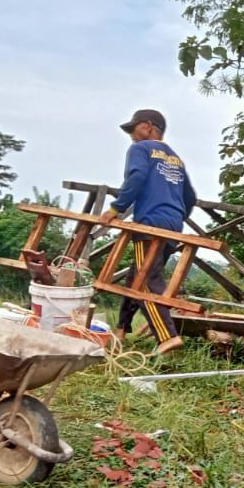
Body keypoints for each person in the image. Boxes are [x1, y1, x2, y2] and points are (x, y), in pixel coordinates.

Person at [101, 109, 196, 355]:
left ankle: (167, 337)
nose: (132, 136)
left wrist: (116, 207)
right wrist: (175, 215)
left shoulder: (140, 150)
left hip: (150, 224)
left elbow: (137, 176)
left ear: (148, 126)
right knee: (137, 276)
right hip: (173, 225)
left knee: (145, 283)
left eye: (134, 130)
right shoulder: (176, 158)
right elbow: (190, 197)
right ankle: (121, 330)